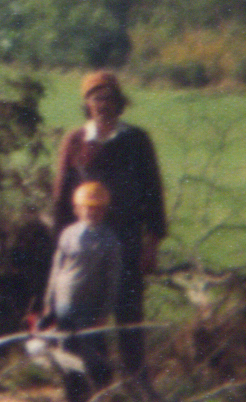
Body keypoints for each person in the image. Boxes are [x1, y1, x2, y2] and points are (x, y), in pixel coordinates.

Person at [50, 70, 167, 383]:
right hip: (85, 246)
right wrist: (61, 243)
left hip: (127, 239)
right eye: (96, 98)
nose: (103, 104)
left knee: (129, 316)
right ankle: (93, 387)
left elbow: (153, 192)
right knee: (86, 320)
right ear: (87, 104)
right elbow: (61, 196)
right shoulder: (75, 141)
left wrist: (152, 243)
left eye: (109, 98)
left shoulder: (137, 140)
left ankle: (136, 386)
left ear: (120, 103)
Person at [40, 181, 124, 402]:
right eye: (87, 208)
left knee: (91, 352)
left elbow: (112, 281)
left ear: (104, 211)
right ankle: (73, 400)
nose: (92, 213)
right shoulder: (68, 234)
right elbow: (56, 269)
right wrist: (49, 302)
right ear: (77, 209)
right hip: (64, 304)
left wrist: (105, 312)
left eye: (97, 209)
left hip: (89, 307)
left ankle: (101, 398)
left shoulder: (110, 241)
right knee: (67, 353)